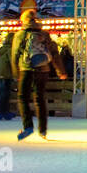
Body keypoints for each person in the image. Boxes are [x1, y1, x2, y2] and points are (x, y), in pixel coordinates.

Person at [10, 9, 65, 140]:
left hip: (27, 69)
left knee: (23, 97)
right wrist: (60, 71)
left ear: (24, 20)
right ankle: (43, 130)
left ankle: (28, 126)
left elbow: (15, 55)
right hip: (43, 70)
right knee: (40, 99)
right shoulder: (44, 34)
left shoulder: (20, 34)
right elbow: (54, 53)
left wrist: (15, 73)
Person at [0, 33, 17, 121]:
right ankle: (3, 111)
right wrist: (16, 74)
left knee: (3, 93)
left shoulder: (3, 49)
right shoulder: (10, 49)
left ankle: (2, 111)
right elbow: (13, 62)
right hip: (6, 73)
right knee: (5, 94)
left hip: (0, 73)